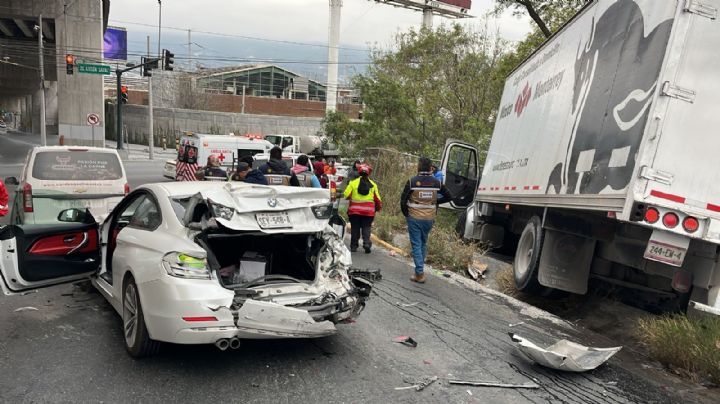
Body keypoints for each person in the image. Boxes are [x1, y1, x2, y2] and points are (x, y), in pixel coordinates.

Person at [400, 157, 452, 283]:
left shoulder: (412, 181)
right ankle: (419, 270)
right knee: (423, 243)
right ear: (430, 168)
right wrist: (434, 202)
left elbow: (403, 200)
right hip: (429, 218)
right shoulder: (436, 182)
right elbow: (449, 196)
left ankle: (419, 274)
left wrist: (407, 214)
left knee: (416, 244)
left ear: (418, 167)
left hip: (415, 218)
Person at [343, 164, 382, 253]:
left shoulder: (353, 183)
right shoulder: (373, 185)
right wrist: (378, 208)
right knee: (366, 227)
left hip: (354, 211)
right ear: (368, 174)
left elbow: (346, 195)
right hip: (368, 212)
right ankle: (366, 243)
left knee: (355, 228)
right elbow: (378, 199)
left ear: (359, 172)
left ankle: (353, 246)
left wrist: (352, 197)